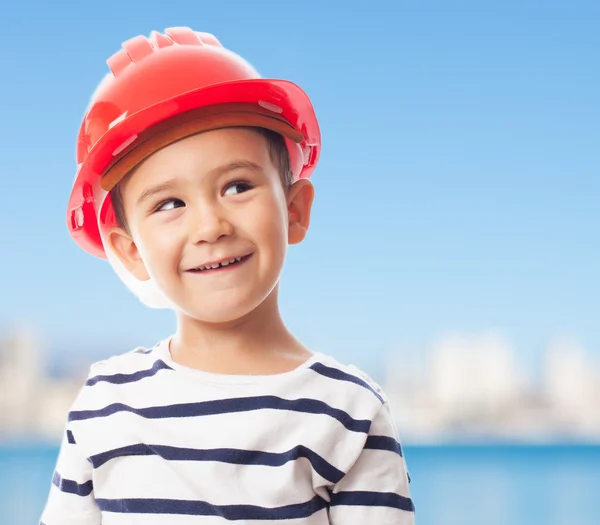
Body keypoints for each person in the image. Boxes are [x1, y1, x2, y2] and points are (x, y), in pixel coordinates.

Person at [40, 27, 415, 524]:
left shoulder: (348, 412)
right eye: (170, 204)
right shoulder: (105, 404)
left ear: (296, 210)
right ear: (130, 252)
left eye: (237, 186)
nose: (211, 226)